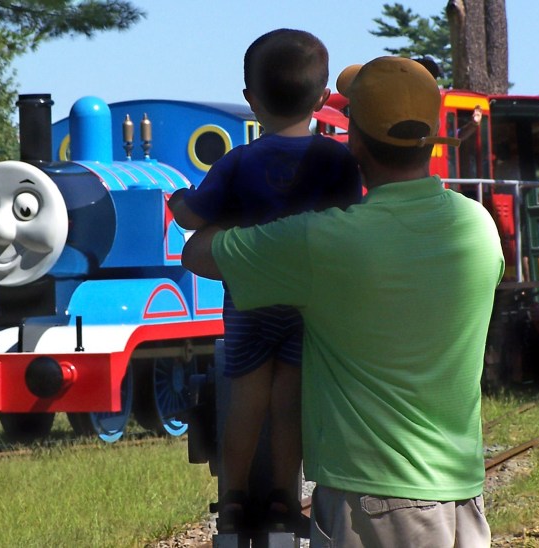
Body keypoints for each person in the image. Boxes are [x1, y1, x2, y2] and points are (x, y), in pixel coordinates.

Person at [182, 56, 504, 547]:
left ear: (354, 141)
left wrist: (260, 207)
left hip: (375, 505)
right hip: (462, 496)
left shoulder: (326, 244)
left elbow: (197, 253)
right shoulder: (478, 227)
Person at [168, 29, 362, 533]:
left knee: (246, 402)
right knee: (288, 404)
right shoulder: (337, 160)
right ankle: (282, 497)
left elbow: (194, 218)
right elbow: (351, 222)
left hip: (249, 304)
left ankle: (233, 497)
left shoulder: (237, 161)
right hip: (307, 307)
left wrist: (179, 202)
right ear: (322, 100)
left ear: (251, 100)